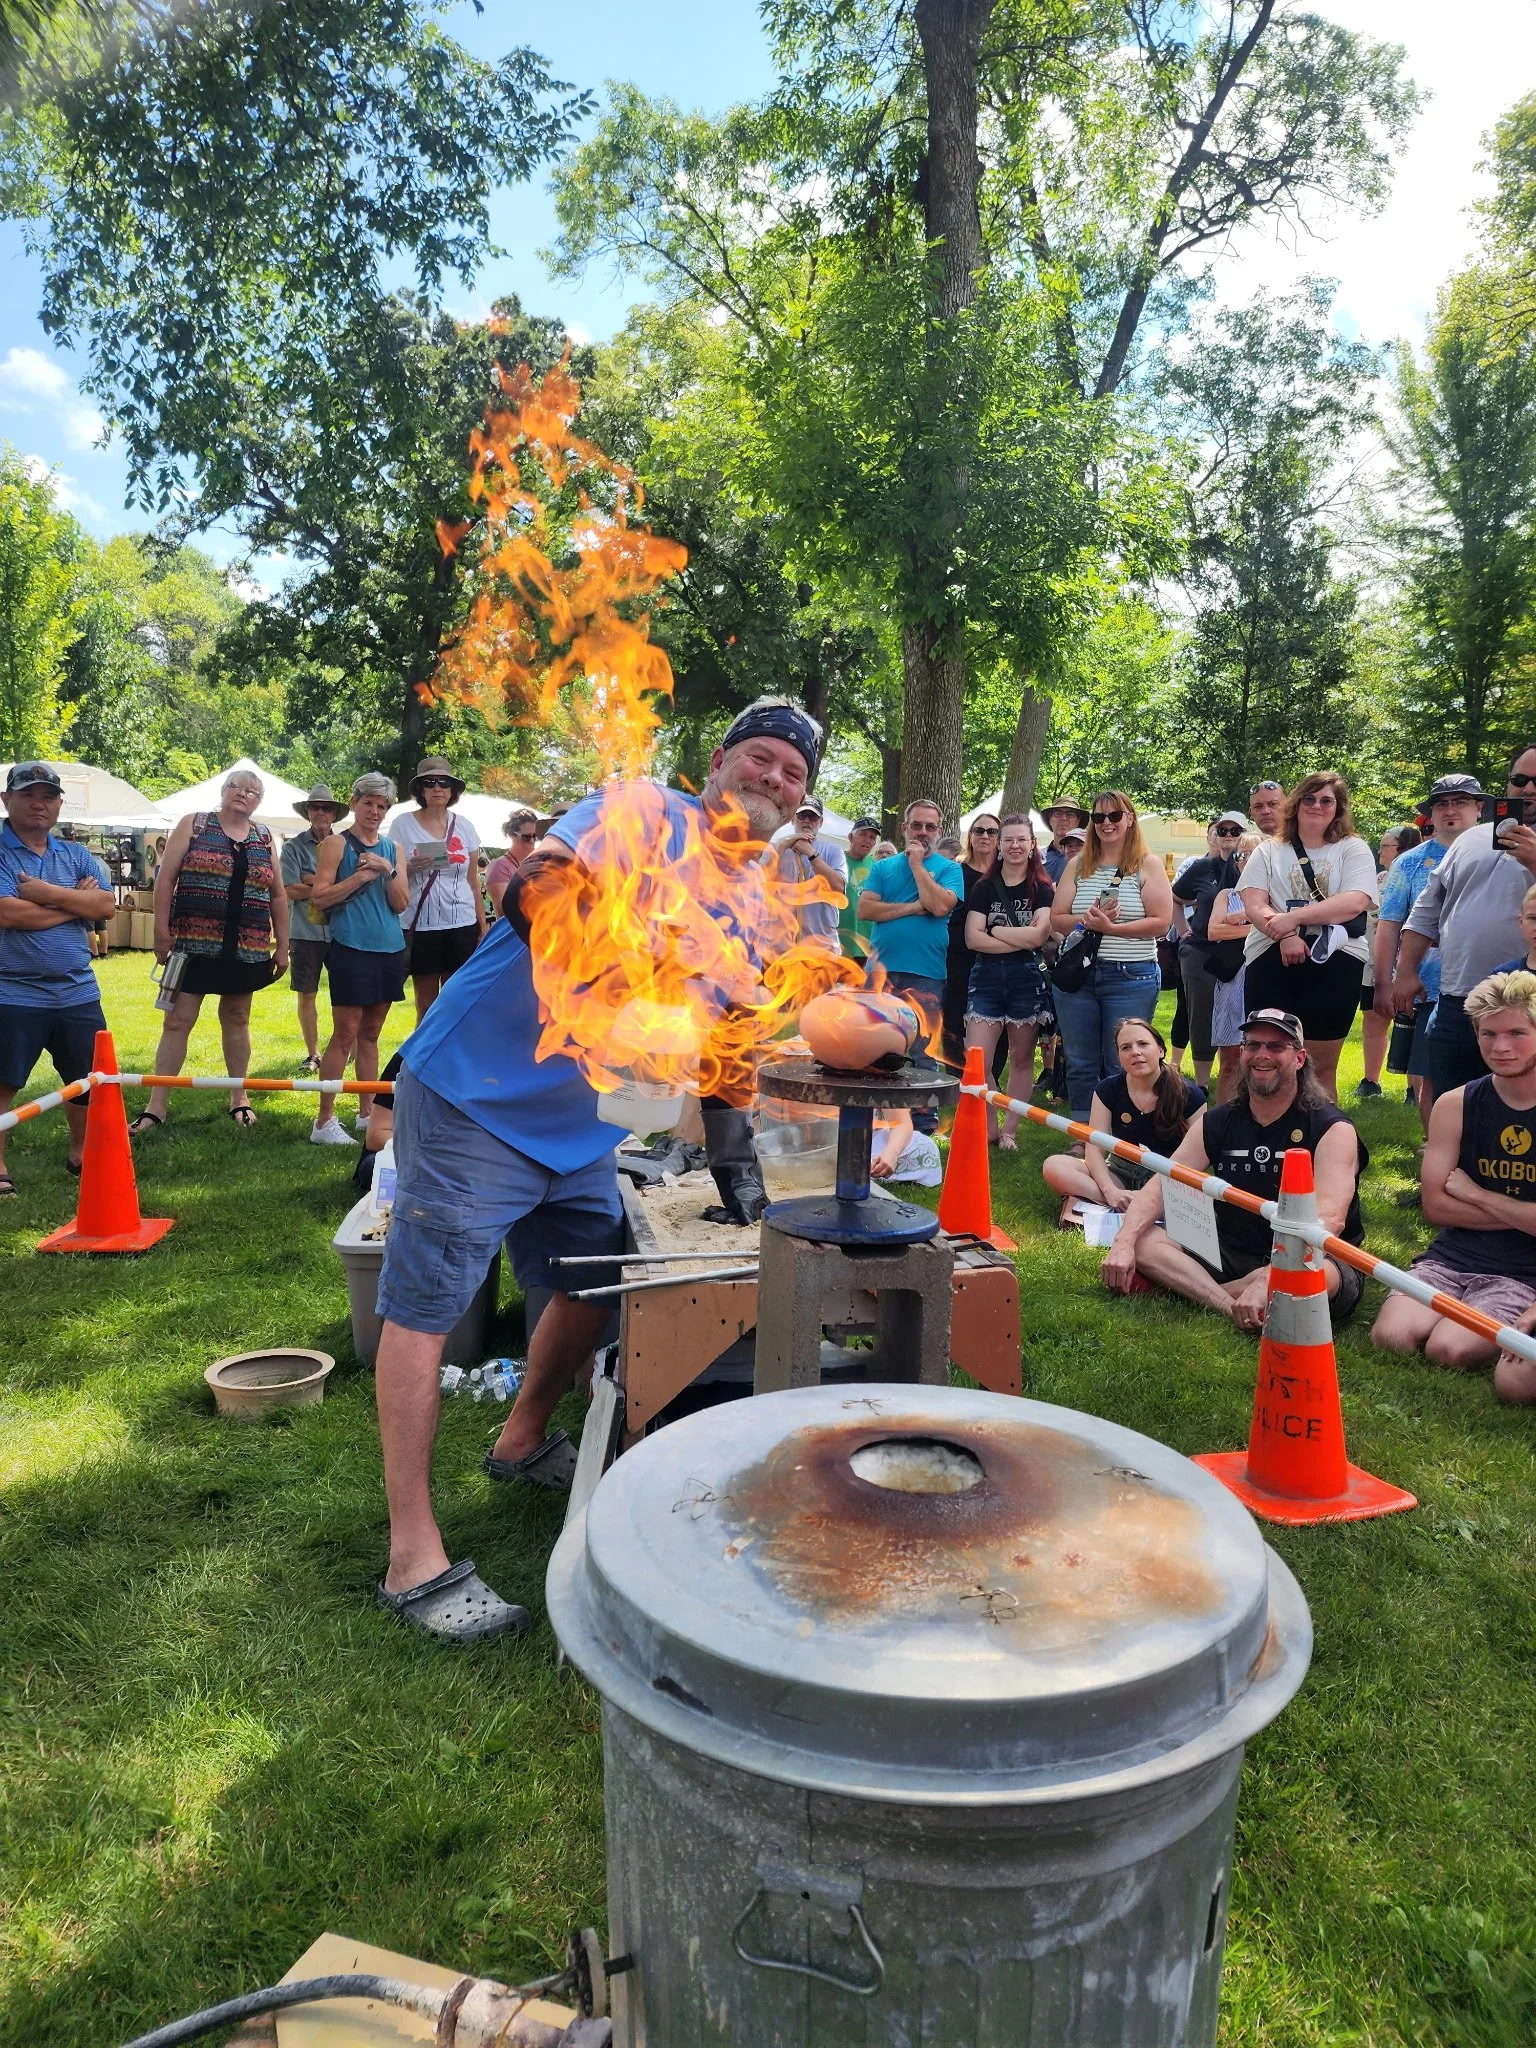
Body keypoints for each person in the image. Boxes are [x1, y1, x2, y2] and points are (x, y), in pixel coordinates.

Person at [371, 696, 821, 1640]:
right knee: (427, 1305)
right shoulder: (646, 812)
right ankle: (411, 1552)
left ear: (800, 801)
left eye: (793, 773)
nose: (773, 778)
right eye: (763, 757)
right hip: (476, 1095)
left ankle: (521, 1434)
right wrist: (612, 955)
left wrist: (735, 1154)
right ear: (721, 758)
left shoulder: (758, 899)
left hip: (582, 1125)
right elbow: (533, 887)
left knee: (590, 1285)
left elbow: (728, 1036)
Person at [1103, 1007, 1368, 1329]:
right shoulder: (1219, 1120)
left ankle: (1199, 1289)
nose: (1262, 1055)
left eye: (1276, 1047)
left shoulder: (1332, 1128)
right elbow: (1163, 1183)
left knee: (1313, 1277)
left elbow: (1330, 1220)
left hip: (1314, 1256)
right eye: (1253, 1046)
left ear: (1299, 1059)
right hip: (1231, 1247)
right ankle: (1228, 1304)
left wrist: (1273, 1272)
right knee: (1144, 1242)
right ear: (1242, 1054)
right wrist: (1123, 1243)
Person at [1370, 970, 1536, 1402]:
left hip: (1524, 1274)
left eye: (1517, 1033)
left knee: (1450, 1349)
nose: (1501, 1047)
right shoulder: (1456, 1103)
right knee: (1391, 1336)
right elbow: (1436, 1207)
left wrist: (1476, 1194)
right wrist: (1521, 1215)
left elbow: (1456, 1197)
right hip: (1449, 1256)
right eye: (1489, 1034)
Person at [131, 768, 289, 1135]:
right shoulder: (195, 824)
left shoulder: (264, 836)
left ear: (259, 800)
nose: (242, 793)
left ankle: (239, 1098)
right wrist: (160, 931)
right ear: (223, 791)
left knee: (237, 1018)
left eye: (252, 791)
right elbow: (166, 879)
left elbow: (278, 894)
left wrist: (283, 947)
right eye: (235, 786)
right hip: (190, 944)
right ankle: (156, 1107)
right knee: (177, 1020)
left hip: (246, 947)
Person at [0, 762, 115, 1193]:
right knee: (4, 1081)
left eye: (48, 796)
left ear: (59, 804)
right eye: (29, 794)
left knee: (88, 1080)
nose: (39, 803)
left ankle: (81, 1154)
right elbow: (8, 913)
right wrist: (76, 904)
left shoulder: (76, 853)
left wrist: (45, 896)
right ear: (6, 800)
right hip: (12, 989)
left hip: (77, 990)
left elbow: (105, 909)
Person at [1398, 744, 1536, 1102]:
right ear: (1507, 785)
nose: (1529, 789)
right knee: (1455, 1103)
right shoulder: (1471, 838)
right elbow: (1427, 910)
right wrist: (1406, 971)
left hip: (1528, 1003)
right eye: (1520, 779)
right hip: (1458, 999)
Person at [1236, 771, 1376, 1103]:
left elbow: (1355, 901)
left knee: (1320, 1064)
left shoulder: (1352, 848)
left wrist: (1292, 919)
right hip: (1270, 958)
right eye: (1309, 798)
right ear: (1296, 804)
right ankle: (1267, 1138)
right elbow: (1254, 904)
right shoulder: (1269, 850)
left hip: (1337, 962)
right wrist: (1284, 935)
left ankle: (1321, 1141)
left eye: (1327, 800)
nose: (1317, 806)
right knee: (1267, 1059)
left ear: (1338, 808)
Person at [1048, 791, 1172, 1119]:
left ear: (1129, 819)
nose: (1106, 823)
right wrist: (1085, 921)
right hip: (1080, 976)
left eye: (1114, 816)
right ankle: (1084, 1132)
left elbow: (1162, 922)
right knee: (1080, 1059)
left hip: (1132, 974)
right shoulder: (1077, 864)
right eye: (1099, 817)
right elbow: (1056, 917)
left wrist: (1112, 929)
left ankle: (1125, 1130)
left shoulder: (1148, 865)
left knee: (1124, 1060)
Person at [308, 773, 409, 1146]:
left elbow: (401, 903)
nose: (375, 811)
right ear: (354, 802)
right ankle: (324, 1121)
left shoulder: (392, 848)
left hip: (389, 948)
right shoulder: (336, 844)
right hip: (351, 947)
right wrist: (362, 877)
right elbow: (319, 898)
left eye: (382, 806)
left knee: (371, 1034)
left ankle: (368, 1112)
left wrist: (388, 871)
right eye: (369, 803)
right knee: (345, 1033)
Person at [1376, 778, 1482, 1127]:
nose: (1450, 810)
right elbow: (1389, 924)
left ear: (1479, 808)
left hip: (1495, 984)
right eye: (1441, 804)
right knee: (1433, 1075)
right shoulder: (1408, 863)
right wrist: (1385, 982)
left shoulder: (1502, 850)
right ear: (1430, 813)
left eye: (1461, 802)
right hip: (1428, 988)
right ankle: (1436, 1146)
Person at [858, 798, 965, 1117]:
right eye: (916, 825)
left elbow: (940, 906)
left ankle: (922, 1124)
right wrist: (911, 907)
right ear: (904, 828)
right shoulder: (882, 867)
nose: (922, 832)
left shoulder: (950, 869)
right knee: (875, 1045)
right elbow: (866, 910)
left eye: (930, 827)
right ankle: (877, 1117)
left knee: (921, 1050)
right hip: (880, 971)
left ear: (939, 830)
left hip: (926, 974)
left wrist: (918, 866)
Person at [1041, 1017, 1204, 1219]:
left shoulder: (1190, 1094)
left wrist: (1154, 1191)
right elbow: (1094, 1148)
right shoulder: (1107, 1089)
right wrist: (1110, 1191)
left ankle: (1122, 1204)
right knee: (1054, 1166)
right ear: (1118, 1057)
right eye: (1125, 1048)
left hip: (1168, 1179)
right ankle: (1125, 1203)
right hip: (1120, 1172)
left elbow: (1197, 1160)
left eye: (1143, 1044)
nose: (1135, 1052)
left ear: (1160, 1050)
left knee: (1196, 1199)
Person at [963, 814, 1054, 1146]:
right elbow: (972, 939)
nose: (1015, 846)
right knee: (978, 1059)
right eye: (1008, 840)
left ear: (1032, 845)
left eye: (1021, 840)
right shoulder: (984, 886)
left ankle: (1010, 1131)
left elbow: (1038, 937)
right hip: (985, 977)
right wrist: (1021, 937)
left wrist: (997, 929)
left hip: (1024, 979)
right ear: (1000, 845)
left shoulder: (1042, 888)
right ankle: (988, 1125)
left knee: (1020, 1058)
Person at [390, 757, 486, 1023]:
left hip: (462, 923)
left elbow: (473, 880)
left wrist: (482, 924)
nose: (437, 788)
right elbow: (392, 874)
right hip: (423, 925)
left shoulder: (465, 826)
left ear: (453, 790)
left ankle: (452, 1060)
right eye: (429, 782)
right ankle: (421, 1061)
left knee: (458, 999)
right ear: (420, 789)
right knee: (426, 1002)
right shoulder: (402, 825)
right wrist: (410, 867)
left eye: (444, 782)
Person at [1172, 812, 1252, 1091]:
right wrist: (1183, 931)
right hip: (1202, 951)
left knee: (1240, 1017)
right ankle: (1202, 1084)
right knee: (1201, 1014)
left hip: (1244, 953)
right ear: (1214, 835)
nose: (1229, 835)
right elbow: (1176, 899)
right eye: (1223, 830)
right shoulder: (1202, 867)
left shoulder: (1256, 868)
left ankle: (1243, 1077)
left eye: (1235, 830)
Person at [280, 784, 347, 1073]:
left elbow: (353, 888)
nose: (321, 812)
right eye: (315, 807)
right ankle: (313, 1053)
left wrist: (311, 880)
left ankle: (347, 1049)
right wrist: (328, 886)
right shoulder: (292, 847)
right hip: (305, 933)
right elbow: (288, 890)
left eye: (327, 808)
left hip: (342, 931)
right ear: (308, 812)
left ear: (334, 814)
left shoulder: (346, 844)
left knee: (347, 994)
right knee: (306, 993)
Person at [1357, 824, 1420, 1099]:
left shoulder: (1420, 875)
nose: (1380, 850)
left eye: (1386, 845)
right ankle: (1371, 1082)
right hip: (1375, 964)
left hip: (1409, 965)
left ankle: (1412, 1087)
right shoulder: (1379, 880)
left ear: (1403, 848)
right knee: (1373, 1021)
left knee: (1410, 1025)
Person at [1207, 832, 1263, 1096]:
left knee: (1264, 1056)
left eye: (1255, 855)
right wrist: (1259, 927)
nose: (1247, 860)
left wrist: (1243, 919)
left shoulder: (1275, 896)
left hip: (1264, 977)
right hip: (1231, 982)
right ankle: (1225, 1122)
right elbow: (1213, 932)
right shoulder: (1226, 895)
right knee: (1229, 1059)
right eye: (1242, 855)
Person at [941, 811, 999, 1063]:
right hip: (957, 961)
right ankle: (958, 1088)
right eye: (979, 831)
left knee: (995, 1026)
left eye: (992, 831)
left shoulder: (1007, 874)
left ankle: (988, 1087)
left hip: (996, 960)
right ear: (970, 837)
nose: (985, 836)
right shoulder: (955, 872)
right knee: (954, 1025)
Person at [768, 794, 847, 952]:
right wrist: (783, 846)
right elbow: (760, 886)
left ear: (821, 822)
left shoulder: (833, 850)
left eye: (813, 817)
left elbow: (839, 888)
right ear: (793, 818)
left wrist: (811, 854)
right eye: (802, 815)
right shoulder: (775, 847)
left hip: (821, 948)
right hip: (780, 949)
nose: (807, 820)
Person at [838, 816, 881, 963]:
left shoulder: (876, 866)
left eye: (872, 837)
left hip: (868, 942)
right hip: (841, 940)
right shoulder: (837, 860)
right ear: (851, 837)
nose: (867, 840)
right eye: (863, 834)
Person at [485, 809, 540, 917]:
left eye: (536, 836)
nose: (532, 841)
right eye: (527, 837)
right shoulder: (499, 867)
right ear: (512, 835)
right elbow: (504, 911)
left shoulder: (538, 861)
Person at [1040, 799, 1089, 885]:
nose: (1063, 818)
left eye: (1070, 814)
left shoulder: (1091, 856)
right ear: (1050, 819)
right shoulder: (1038, 857)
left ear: (1078, 820)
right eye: (1058, 814)